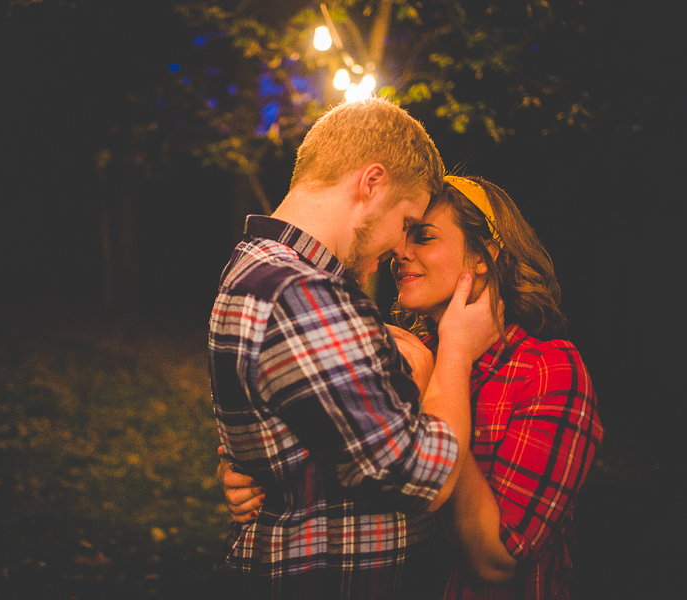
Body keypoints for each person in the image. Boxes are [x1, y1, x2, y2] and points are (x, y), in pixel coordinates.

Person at [220, 175, 604, 599]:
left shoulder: (548, 371)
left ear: (483, 255)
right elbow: (342, 459)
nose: (399, 252)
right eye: (404, 234)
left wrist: (441, 375)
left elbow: (496, 565)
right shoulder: (405, 352)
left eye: (423, 237)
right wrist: (254, 473)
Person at [208, 98, 500, 600]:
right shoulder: (300, 292)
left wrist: (249, 467)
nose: (397, 248)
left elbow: (299, 429)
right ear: (371, 183)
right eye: (406, 222)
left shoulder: (254, 266)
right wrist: (454, 350)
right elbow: (419, 476)